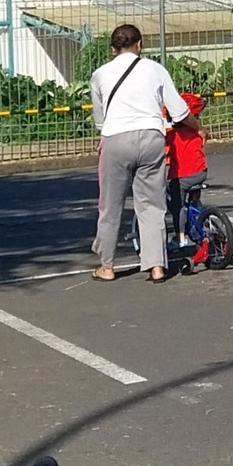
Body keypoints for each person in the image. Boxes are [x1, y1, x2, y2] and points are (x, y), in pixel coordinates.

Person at [90, 24, 196, 284]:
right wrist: (199, 128)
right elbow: (179, 111)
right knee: (151, 205)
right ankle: (156, 265)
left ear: (113, 49)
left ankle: (107, 265)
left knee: (110, 205)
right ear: (140, 45)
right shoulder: (155, 69)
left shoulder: (100, 74)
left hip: (115, 139)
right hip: (151, 137)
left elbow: (100, 119)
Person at [163, 91, 209, 262]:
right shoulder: (198, 132)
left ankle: (180, 236)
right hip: (201, 172)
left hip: (181, 176)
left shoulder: (170, 136)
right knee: (193, 193)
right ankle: (198, 209)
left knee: (177, 205)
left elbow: (163, 155)